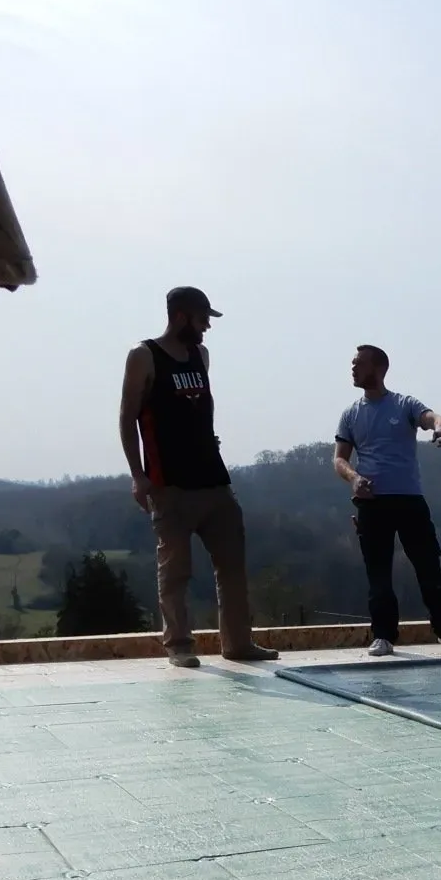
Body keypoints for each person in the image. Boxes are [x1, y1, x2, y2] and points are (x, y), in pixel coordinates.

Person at [117, 286, 279, 668]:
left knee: (232, 566)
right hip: (169, 484)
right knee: (175, 571)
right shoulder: (144, 355)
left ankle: (238, 643)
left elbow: (199, 410)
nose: (207, 326)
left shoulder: (200, 355)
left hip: (214, 480)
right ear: (181, 317)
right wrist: (138, 476)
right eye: (203, 318)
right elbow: (127, 417)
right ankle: (179, 645)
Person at [333, 346, 441, 657]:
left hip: (409, 500)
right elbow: (339, 459)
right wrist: (354, 478)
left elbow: (435, 418)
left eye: (358, 364)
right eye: (352, 364)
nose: (353, 369)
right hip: (371, 503)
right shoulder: (350, 414)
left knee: (428, 567)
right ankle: (383, 636)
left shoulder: (403, 404)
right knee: (378, 573)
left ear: (378, 368)